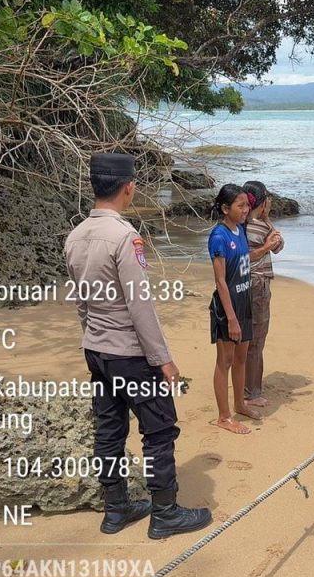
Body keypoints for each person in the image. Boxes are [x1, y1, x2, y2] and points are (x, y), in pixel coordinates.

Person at [64, 152, 211, 540]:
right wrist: (163, 360)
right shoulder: (126, 237)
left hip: (96, 348)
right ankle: (165, 513)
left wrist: (93, 336)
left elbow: (81, 301)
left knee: (109, 431)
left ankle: (116, 510)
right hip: (130, 353)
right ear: (128, 187)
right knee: (159, 431)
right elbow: (139, 304)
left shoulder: (75, 237)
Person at [209, 184, 264, 434]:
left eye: (246, 205)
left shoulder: (240, 229)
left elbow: (245, 259)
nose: (245, 210)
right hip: (226, 306)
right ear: (225, 208)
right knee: (226, 360)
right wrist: (230, 318)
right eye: (240, 206)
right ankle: (223, 417)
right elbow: (220, 281)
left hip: (244, 300)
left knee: (242, 357)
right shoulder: (219, 236)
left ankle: (240, 403)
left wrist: (266, 247)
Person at [242, 181, 284, 407]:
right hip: (258, 284)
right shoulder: (260, 226)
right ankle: (252, 392)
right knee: (257, 340)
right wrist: (267, 219)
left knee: (246, 339)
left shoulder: (241, 225)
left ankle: (247, 386)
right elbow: (279, 245)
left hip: (245, 283)